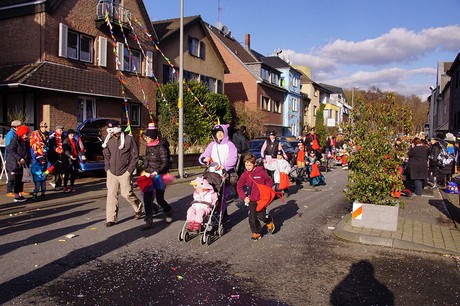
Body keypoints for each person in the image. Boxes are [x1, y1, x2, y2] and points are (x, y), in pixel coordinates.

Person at [102, 120, 143, 227]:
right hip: (112, 172)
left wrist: (129, 170)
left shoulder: (129, 139)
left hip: (124, 172)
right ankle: (111, 218)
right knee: (111, 194)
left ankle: (138, 207)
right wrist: (107, 168)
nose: (111, 131)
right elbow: (106, 155)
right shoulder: (108, 140)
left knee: (127, 194)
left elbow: (135, 156)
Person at [199, 123, 238, 219]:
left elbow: (233, 158)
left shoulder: (230, 145)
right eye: (217, 133)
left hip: (225, 174)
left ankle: (222, 215)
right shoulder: (212, 145)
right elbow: (204, 155)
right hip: (212, 174)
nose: (219, 135)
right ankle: (212, 214)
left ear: (225, 133)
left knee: (222, 196)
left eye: (221, 132)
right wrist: (204, 159)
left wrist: (224, 166)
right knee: (211, 195)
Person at [236, 154, 275, 241]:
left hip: (261, 198)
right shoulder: (245, 174)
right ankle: (256, 233)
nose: (248, 167)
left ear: (254, 164)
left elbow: (269, 181)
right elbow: (239, 186)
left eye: (249, 165)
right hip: (251, 199)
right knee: (252, 217)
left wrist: (267, 190)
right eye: (246, 165)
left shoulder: (261, 172)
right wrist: (244, 197)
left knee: (262, 217)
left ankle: (269, 221)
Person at [140, 128, 173, 228]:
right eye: (145, 137)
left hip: (159, 176)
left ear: (152, 138)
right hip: (149, 175)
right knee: (147, 198)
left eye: (147, 137)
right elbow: (148, 159)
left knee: (159, 199)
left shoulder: (161, 147)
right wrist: (144, 165)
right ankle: (148, 220)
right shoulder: (148, 146)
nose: (145, 139)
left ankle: (168, 211)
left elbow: (165, 163)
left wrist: (156, 172)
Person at [6, 125, 31, 202]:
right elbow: (11, 150)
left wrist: (29, 159)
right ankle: (17, 196)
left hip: (22, 163)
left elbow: (27, 151)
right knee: (17, 179)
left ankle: (19, 194)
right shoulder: (15, 140)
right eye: (25, 134)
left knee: (21, 179)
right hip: (15, 163)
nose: (26, 135)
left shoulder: (25, 141)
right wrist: (19, 158)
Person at [4, 120, 22, 197]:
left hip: (17, 156)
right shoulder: (10, 134)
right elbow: (8, 147)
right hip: (11, 157)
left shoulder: (17, 134)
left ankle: (18, 190)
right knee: (12, 174)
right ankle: (9, 190)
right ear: (15, 127)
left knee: (18, 174)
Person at [47, 125, 65, 190]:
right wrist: (57, 149)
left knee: (60, 170)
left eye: (62, 130)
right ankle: (55, 183)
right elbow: (52, 146)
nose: (62, 131)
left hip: (60, 155)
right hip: (54, 156)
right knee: (56, 170)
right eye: (60, 130)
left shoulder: (62, 136)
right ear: (56, 130)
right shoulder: (53, 136)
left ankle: (57, 183)